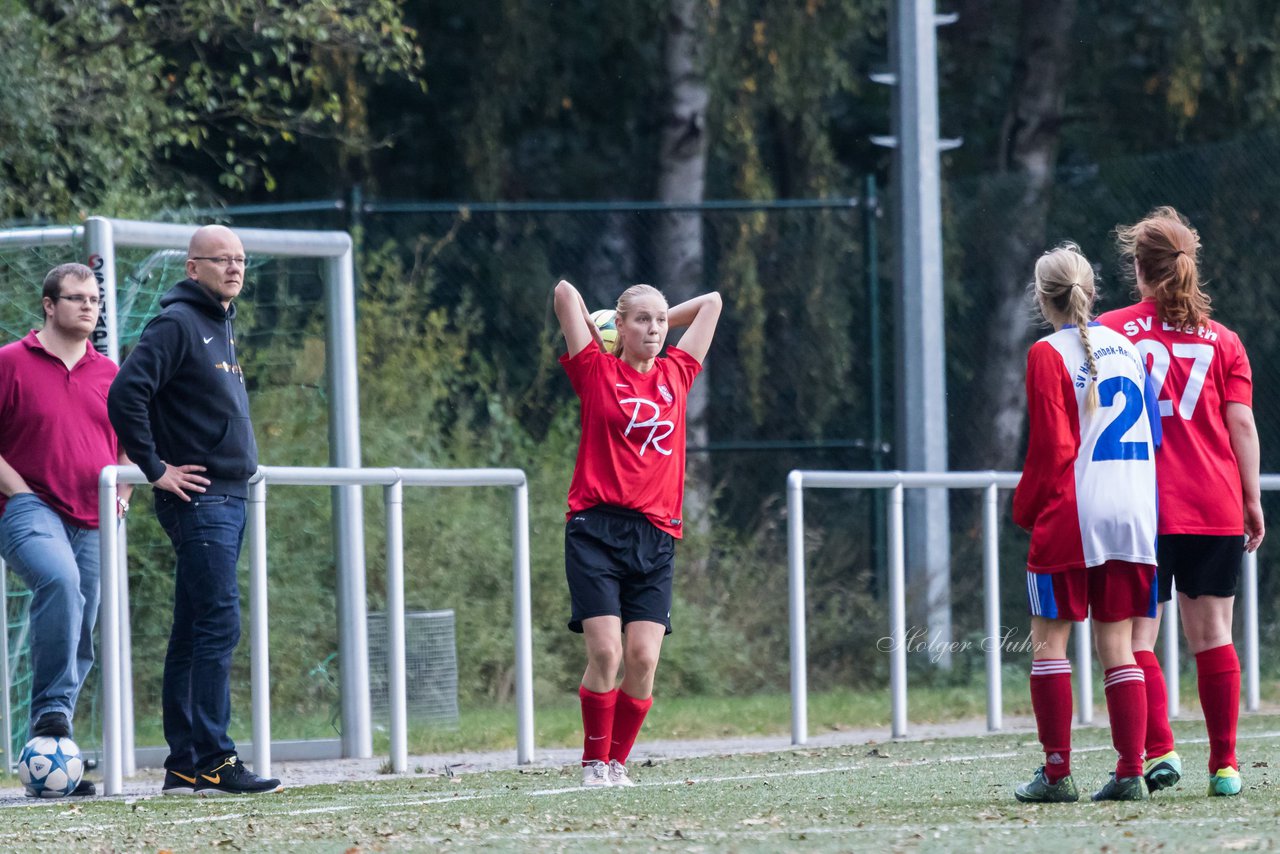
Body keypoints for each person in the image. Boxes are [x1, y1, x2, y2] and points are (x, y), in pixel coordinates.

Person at [108, 224, 282, 797]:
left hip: (229, 496)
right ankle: (214, 757)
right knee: (218, 623)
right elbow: (125, 393)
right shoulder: (176, 323)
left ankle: (184, 762)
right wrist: (156, 468)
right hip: (199, 500)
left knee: (191, 629)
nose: (234, 268)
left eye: (240, 259)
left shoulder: (221, 324)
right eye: (221, 259)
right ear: (192, 268)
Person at [1099, 206, 1262, 798]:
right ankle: (1225, 767)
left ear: (1138, 269)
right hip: (1215, 503)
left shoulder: (1112, 330)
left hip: (1143, 507)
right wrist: (1251, 498)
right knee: (1214, 635)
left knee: (1139, 639)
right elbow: (1240, 424)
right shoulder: (1226, 342)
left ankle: (1159, 748)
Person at [553, 278, 721, 788]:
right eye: (640, 320)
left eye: (659, 321)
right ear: (619, 327)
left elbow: (712, 303)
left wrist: (662, 317)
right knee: (606, 653)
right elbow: (563, 291)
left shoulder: (677, 372)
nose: (653, 329)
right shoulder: (595, 371)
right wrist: (597, 324)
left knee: (644, 660)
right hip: (595, 530)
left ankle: (617, 764)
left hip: (655, 536)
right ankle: (592, 764)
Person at [1012, 244, 1161, 803]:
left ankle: (1056, 775)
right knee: (1118, 647)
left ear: (1041, 297)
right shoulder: (1130, 348)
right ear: (1092, 291)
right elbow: (1157, 438)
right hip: (1133, 513)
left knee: (1051, 646)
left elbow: (1053, 451)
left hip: (1074, 514)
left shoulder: (1047, 353)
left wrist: (1024, 510)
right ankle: (1129, 772)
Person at [0, 263, 132, 797]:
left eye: (95, 299)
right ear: (49, 305)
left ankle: (50, 759)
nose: (88, 306)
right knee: (60, 582)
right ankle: (53, 715)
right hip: (28, 506)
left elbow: (131, 442)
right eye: (76, 298)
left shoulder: (112, 374)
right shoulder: (9, 362)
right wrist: (18, 490)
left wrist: (121, 493)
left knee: (84, 617)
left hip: (97, 511)